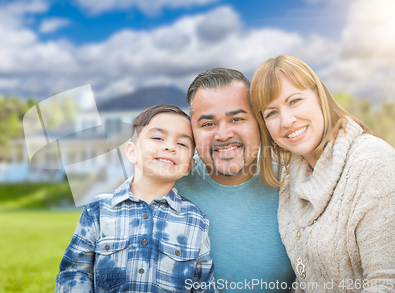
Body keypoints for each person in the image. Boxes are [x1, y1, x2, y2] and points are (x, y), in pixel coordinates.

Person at [250, 54, 395, 292]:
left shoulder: (372, 162)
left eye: (294, 100)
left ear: (320, 96)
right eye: (271, 113)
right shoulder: (292, 175)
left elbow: (386, 283)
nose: (286, 120)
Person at [55, 104, 218, 293]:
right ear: (132, 151)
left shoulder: (195, 220)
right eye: (158, 137)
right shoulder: (98, 208)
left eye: (182, 144)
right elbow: (75, 272)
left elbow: (203, 285)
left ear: (189, 166)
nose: (170, 147)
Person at [175, 68, 295, 292]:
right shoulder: (169, 189)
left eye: (237, 119)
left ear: (259, 122)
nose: (223, 134)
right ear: (191, 130)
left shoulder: (293, 182)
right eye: (208, 124)